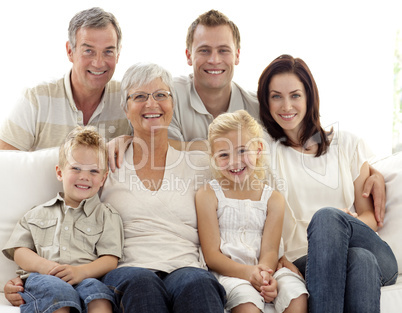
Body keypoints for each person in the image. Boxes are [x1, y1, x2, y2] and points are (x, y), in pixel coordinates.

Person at [257, 54, 398, 312]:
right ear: (266, 101)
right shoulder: (264, 152)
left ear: (310, 97)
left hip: (378, 256)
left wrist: (342, 221)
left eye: (295, 95)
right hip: (305, 260)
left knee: (328, 220)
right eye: (276, 96)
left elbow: (369, 217)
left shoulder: (346, 144)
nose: (286, 105)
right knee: (360, 259)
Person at [102, 62, 226, 312]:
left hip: (185, 266)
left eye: (161, 95)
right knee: (143, 285)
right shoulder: (107, 162)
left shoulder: (200, 162)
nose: (151, 104)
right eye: (139, 96)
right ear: (126, 109)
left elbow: (247, 191)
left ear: (172, 105)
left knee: (199, 284)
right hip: (128, 269)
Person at [2, 126, 124, 313]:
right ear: (59, 172)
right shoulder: (38, 213)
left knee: (99, 297)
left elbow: (110, 259)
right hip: (45, 278)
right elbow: (19, 250)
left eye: (93, 171)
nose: (84, 176)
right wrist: (46, 267)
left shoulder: (107, 215)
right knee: (58, 295)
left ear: (103, 178)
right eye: (76, 168)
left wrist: (81, 272)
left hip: (86, 277)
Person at [196, 109, 308, 313]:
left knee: (296, 294)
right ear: (213, 157)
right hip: (229, 273)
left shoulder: (273, 198)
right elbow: (212, 255)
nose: (234, 162)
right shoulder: (208, 195)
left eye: (242, 151)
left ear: (257, 150)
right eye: (223, 154)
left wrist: (264, 276)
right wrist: (250, 274)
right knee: (247, 303)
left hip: (268, 269)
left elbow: (270, 251)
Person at [0, 7, 131, 151]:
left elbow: (154, 145)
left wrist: (130, 140)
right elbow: (5, 162)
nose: (98, 63)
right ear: (70, 51)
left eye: (108, 51)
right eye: (88, 51)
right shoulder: (36, 99)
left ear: (118, 55)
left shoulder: (128, 98)